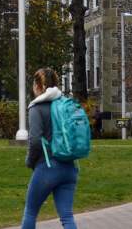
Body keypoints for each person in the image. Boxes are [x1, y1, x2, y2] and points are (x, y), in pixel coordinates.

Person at [21, 68, 78, 229]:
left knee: (30, 213)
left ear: (38, 86)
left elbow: (35, 141)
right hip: (69, 167)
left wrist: (30, 162)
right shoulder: (66, 104)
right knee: (67, 216)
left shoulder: (36, 108)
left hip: (47, 167)